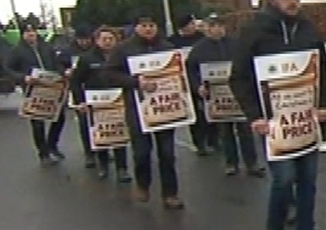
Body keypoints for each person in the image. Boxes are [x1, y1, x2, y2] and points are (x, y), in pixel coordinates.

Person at [230, 0, 326, 230]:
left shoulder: (307, 28)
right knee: (284, 180)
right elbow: (238, 77)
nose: (293, 2)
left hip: (305, 118)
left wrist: (324, 102)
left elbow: (321, 69)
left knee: (309, 180)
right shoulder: (254, 30)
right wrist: (255, 116)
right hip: (273, 122)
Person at [103, 15, 184, 209]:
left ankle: (170, 194)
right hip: (137, 108)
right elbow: (109, 74)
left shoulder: (167, 48)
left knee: (167, 153)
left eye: (152, 25)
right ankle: (143, 185)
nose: (148, 29)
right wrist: (135, 82)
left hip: (165, 109)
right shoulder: (123, 49)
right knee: (142, 152)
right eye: (144, 25)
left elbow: (181, 73)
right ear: (136, 27)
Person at [189, 15, 264, 178]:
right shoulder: (198, 49)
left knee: (245, 129)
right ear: (206, 28)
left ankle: (252, 163)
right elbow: (191, 72)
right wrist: (198, 87)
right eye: (212, 26)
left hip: (239, 95)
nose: (216, 29)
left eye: (219, 25)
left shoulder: (237, 44)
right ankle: (231, 163)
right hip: (216, 97)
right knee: (225, 131)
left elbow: (248, 65)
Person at [70, 27, 131, 182]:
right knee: (101, 134)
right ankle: (103, 165)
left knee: (119, 133)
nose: (107, 41)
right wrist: (80, 102)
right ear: (96, 40)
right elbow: (76, 81)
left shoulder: (123, 56)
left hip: (118, 99)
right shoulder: (86, 58)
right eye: (104, 39)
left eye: (110, 38)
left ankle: (122, 168)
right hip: (96, 100)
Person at [7, 25, 70, 167]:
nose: (30, 34)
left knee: (59, 118)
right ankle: (43, 153)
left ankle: (52, 144)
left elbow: (57, 64)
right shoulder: (17, 51)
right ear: (23, 35)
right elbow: (9, 69)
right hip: (33, 90)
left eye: (32, 31)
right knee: (37, 122)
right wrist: (23, 77)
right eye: (27, 32)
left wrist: (62, 73)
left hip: (52, 88)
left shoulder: (47, 47)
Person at [170, 17, 214, 156]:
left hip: (204, 78)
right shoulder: (172, 41)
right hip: (185, 82)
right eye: (191, 24)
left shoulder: (201, 38)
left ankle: (214, 140)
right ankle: (199, 142)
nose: (193, 26)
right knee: (195, 115)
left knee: (211, 110)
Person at [64, 25, 97, 168]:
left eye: (87, 39)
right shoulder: (67, 51)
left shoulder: (96, 50)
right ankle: (89, 153)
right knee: (84, 122)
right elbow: (58, 65)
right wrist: (65, 71)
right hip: (79, 91)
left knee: (100, 121)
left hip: (96, 90)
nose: (84, 42)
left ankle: (102, 148)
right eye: (81, 40)